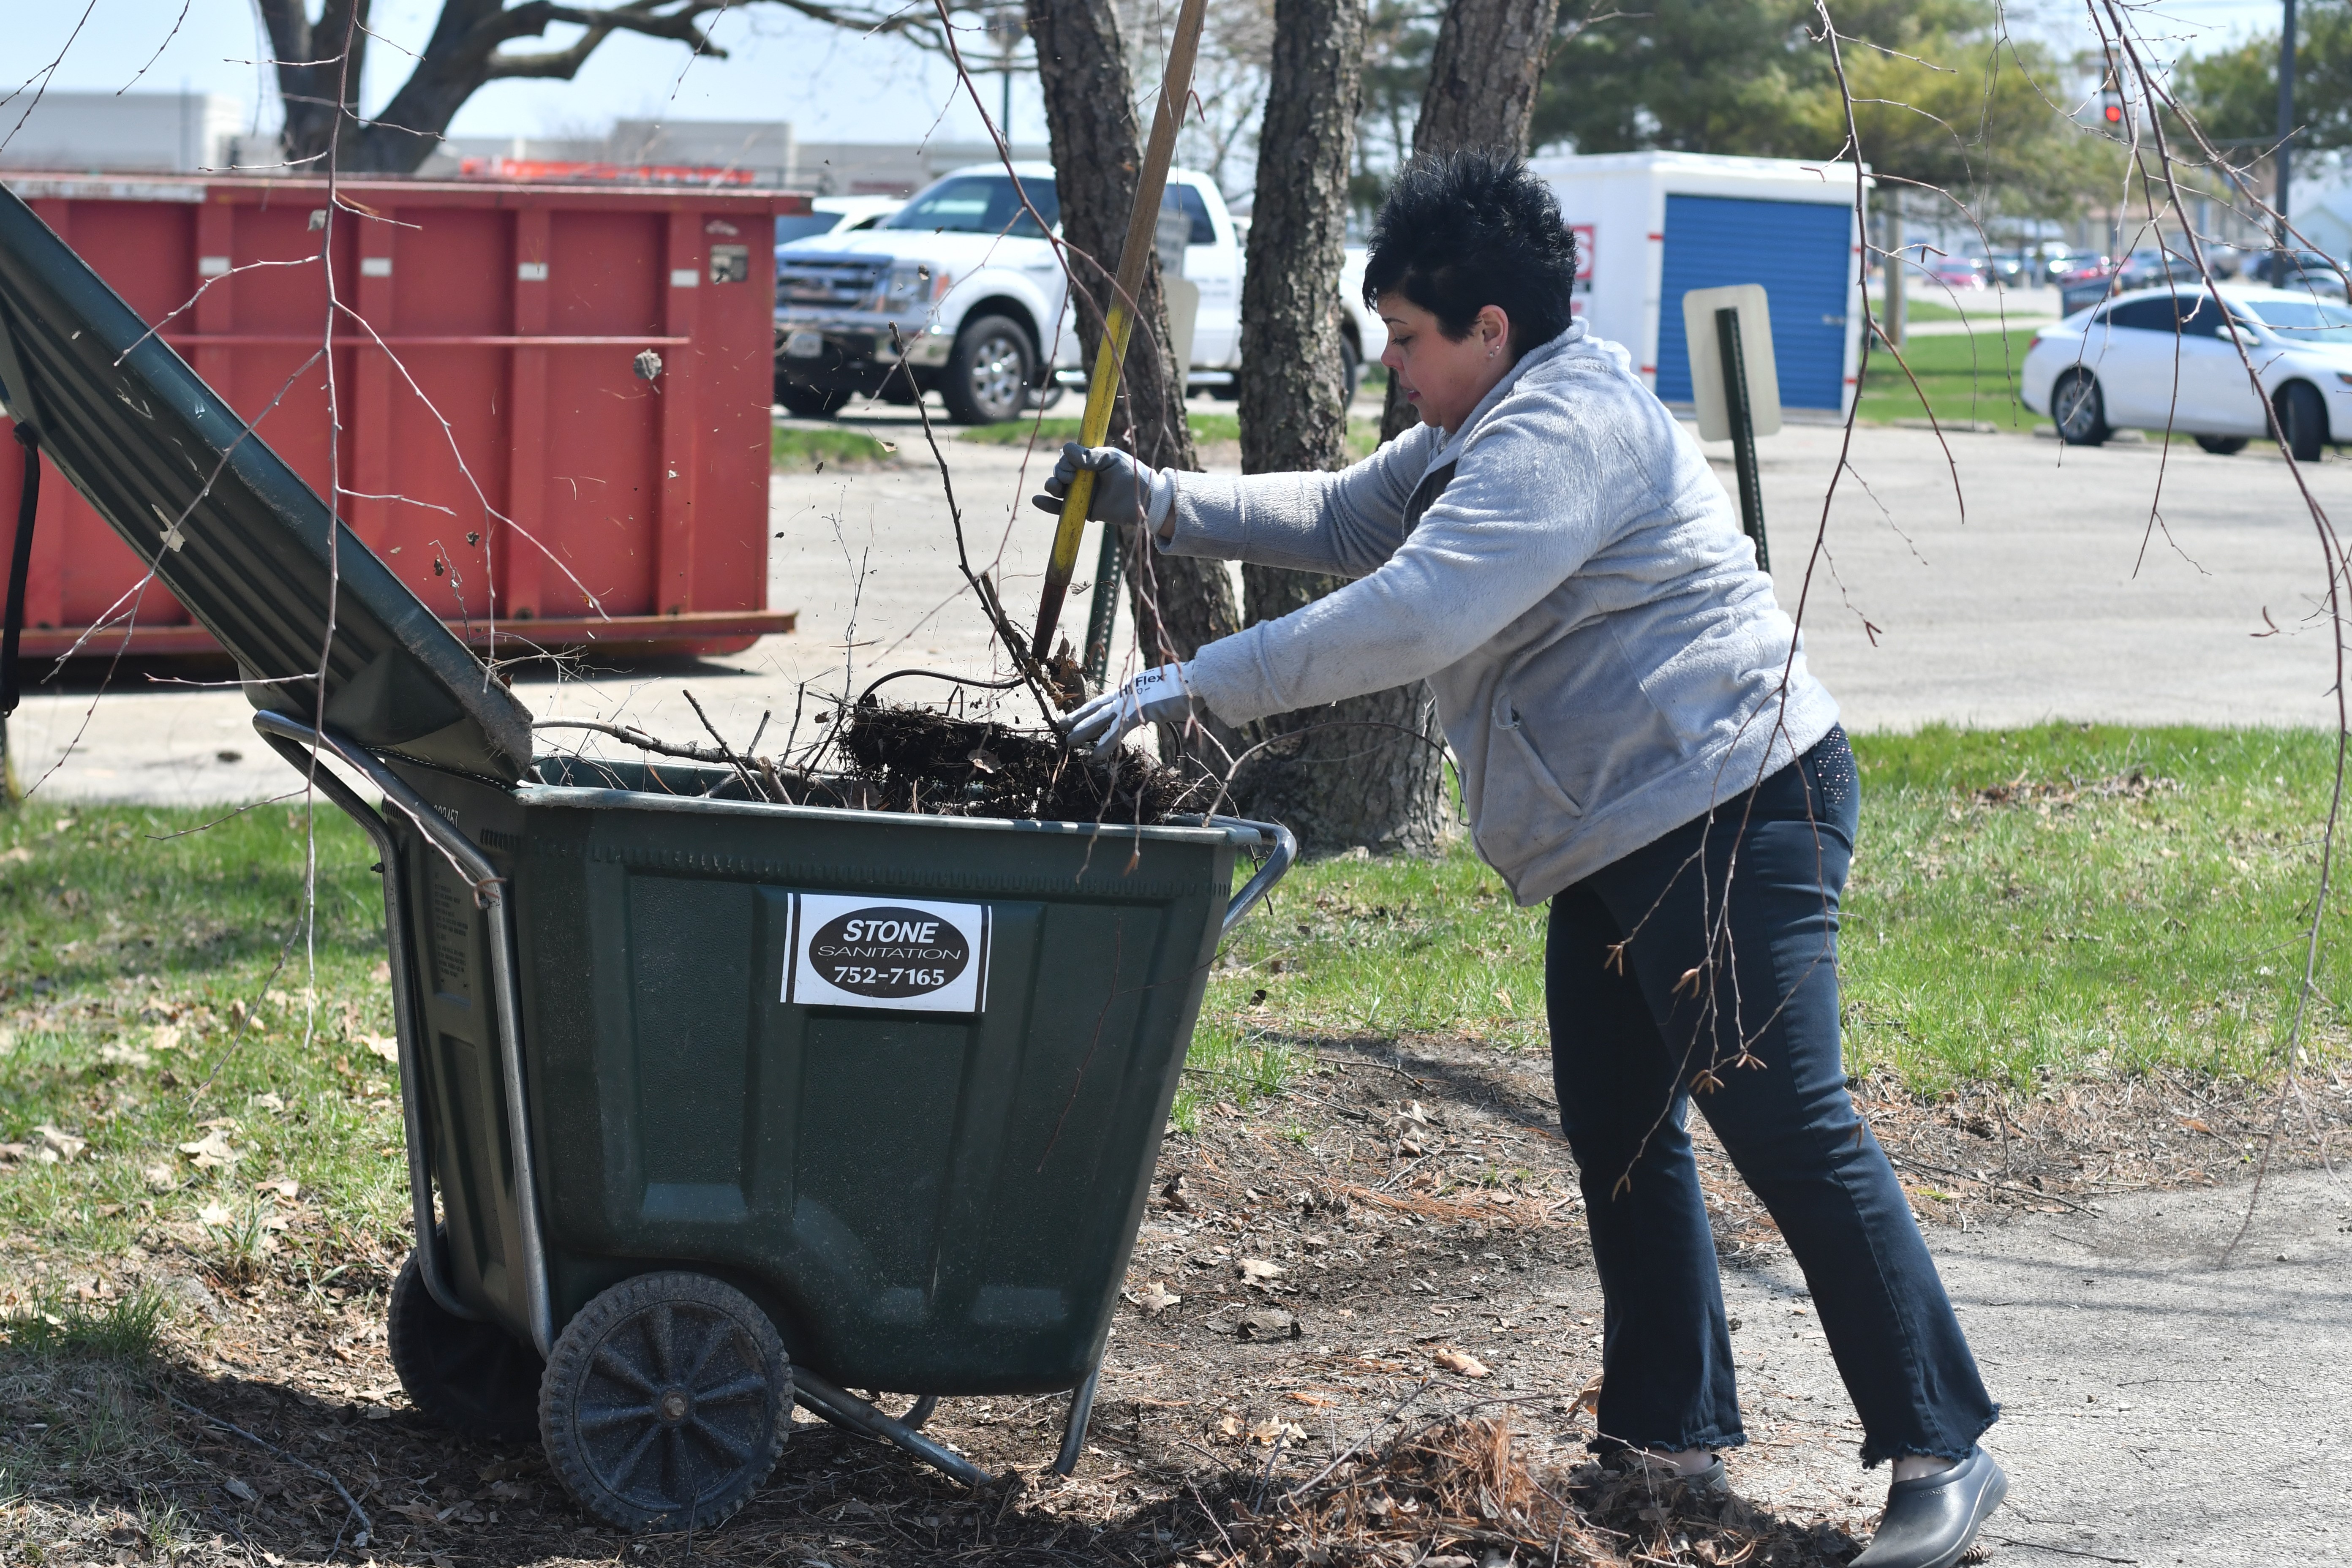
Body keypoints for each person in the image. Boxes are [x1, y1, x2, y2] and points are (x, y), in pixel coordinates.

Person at [1038, 149, 2004, 1568]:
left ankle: (1944, 1448)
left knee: (1790, 1122)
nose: (1395, 363)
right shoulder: (1475, 427)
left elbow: (1416, 610)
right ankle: (1668, 1436)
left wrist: (1201, 681)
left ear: (1492, 330)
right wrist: (1162, 500)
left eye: (1411, 338)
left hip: (1734, 804)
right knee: (1622, 1132)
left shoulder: (1567, 432)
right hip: (1625, 828)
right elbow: (1346, 517)